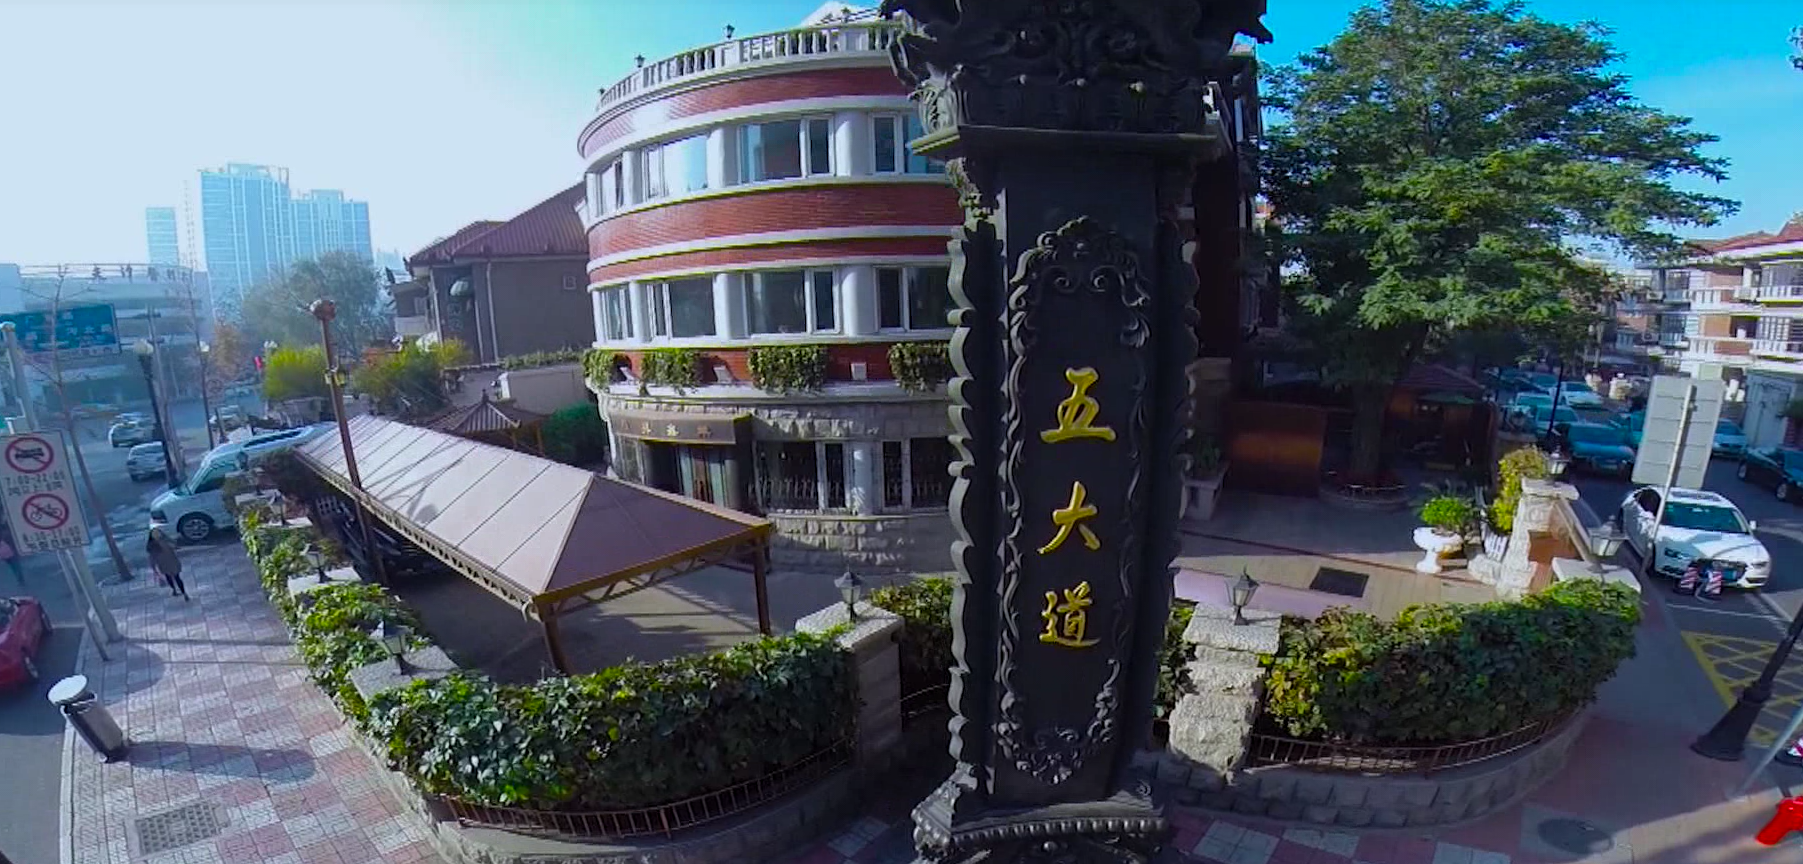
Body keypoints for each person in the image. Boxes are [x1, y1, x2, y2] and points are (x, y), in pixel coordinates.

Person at [146, 527, 187, 599]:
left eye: (158, 533)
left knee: (174, 577)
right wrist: (154, 568)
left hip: (170, 563)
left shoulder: (162, 541)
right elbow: (152, 558)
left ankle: (179, 591)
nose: (157, 535)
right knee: (173, 577)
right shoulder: (155, 544)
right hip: (167, 563)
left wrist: (174, 545)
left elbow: (175, 546)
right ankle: (179, 591)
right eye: (155, 534)